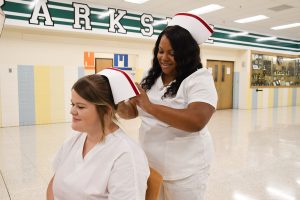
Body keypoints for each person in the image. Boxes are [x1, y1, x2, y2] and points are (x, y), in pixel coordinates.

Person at [117, 13, 218, 200]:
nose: (164, 58)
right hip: (152, 164)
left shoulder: (199, 79)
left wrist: (149, 105)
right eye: (160, 51)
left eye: (172, 53)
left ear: (187, 54)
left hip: (185, 170)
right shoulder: (152, 75)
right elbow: (132, 111)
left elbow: (196, 121)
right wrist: (115, 103)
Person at [47, 72, 150, 200]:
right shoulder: (75, 138)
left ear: (106, 110)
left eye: (80, 106)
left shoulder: (126, 156)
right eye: (72, 104)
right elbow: (54, 182)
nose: (72, 111)